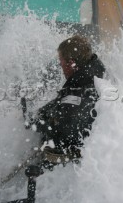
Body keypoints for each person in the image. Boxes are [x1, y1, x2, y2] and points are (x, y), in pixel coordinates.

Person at [32, 35, 105, 163]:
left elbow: (64, 131)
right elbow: (62, 104)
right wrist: (40, 113)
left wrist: (38, 123)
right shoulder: (93, 74)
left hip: (73, 164)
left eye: (61, 63)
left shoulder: (80, 92)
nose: (61, 68)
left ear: (71, 63)